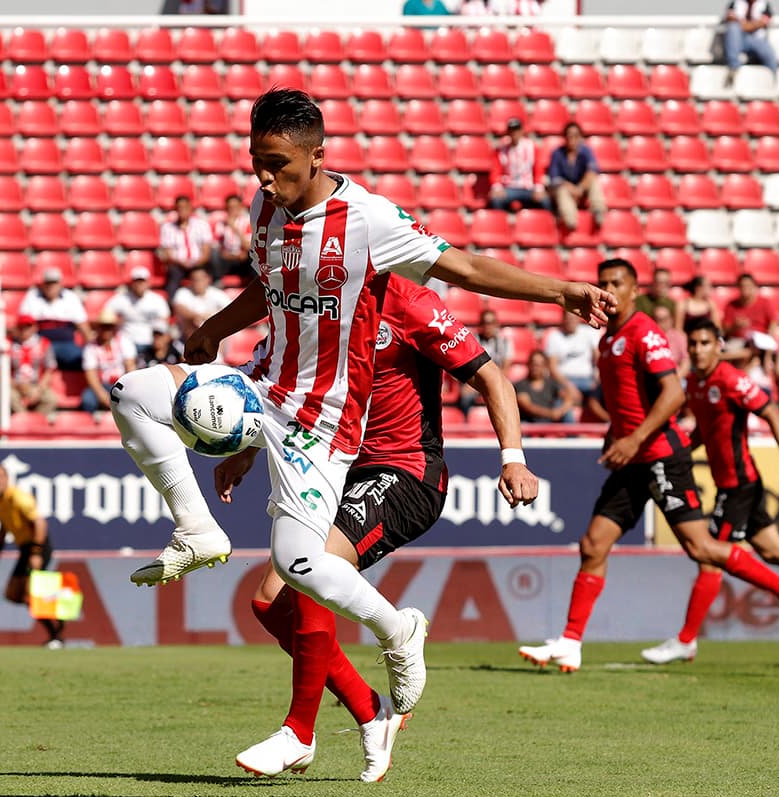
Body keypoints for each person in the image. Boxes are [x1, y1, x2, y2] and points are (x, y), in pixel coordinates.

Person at [112, 89, 614, 725]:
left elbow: (463, 267)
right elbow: (271, 290)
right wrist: (214, 327)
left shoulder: (369, 221)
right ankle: (197, 529)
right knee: (132, 392)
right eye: (255, 162)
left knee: (301, 568)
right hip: (270, 393)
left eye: (277, 163)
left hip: (329, 425)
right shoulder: (265, 207)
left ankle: (377, 654)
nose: (264, 177)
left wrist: (559, 290)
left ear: (317, 156)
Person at [213, 275, 534, 779]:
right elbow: (280, 391)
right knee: (269, 600)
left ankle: (299, 731)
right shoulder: (310, 307)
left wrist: (513, 458)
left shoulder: (410, 304)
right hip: (333, 466)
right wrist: (247, 453)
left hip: (405, 471)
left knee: (310, 568)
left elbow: (493, 378)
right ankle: (372, 711)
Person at [518, 259, 779, 674]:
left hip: (660, 455)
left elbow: (674, 395)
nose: (607, 289)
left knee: (701, 548)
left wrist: (634, 438)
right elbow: (628, 401)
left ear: (634, 289)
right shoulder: (608, 337)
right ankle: (570, 643)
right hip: (633, 457)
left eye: (616, 283)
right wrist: (615, 436)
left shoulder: (643, 332)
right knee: (593, 545)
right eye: (601, 282)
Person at [642, 319, 779, 664]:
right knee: (774, 551)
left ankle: (687, 639)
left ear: (718, 345)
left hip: (739, 485)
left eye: (705, 343)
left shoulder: (730, 379)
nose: (699, 349)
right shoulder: (694, 383)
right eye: (694, 344)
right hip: (732, 484)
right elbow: (707, 428)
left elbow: (773, 413)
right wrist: (684, 450)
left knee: (710, 559)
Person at [0, 462, 64, 649]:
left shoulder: (18, 497)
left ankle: (56, 634)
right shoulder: (1, 501)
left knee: (32, 593)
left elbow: (40, 523)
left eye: (0, 476)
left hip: (37, 547)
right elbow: (4, 527)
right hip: (24, 549)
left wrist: (36, 552)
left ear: (7, 477)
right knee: (14, 594)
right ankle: (57, 618)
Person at [18, 267, 91, 370]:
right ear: (43, 284)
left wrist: (91, 349)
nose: (51, 286)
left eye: (54, 283)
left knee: (83, 359)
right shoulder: (32, 297)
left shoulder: (71, 298)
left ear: (60, 283)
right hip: (39, 345)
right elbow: (24, 325)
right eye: (48, 283)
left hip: (66, 345)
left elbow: (83, 326)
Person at [104, 266, 171, 368]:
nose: (139, 285)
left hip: (151, 340)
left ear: (148, 283)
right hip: (128, 339)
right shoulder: (122, 299)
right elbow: (106, 315)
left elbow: (164, 321)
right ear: (132, 283)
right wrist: (117, 322)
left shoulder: (157, 300)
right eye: (137, 281)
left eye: (142, 281)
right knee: (127, 351)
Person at [547, 123, 606, 230]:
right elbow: (555, 178)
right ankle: (570, 222)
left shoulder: (586, 151)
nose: (572, 139)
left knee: (595, 182)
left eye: (575, 135)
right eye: (569, 135)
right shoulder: (557, 153)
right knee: (561, 191)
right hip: (566, 189)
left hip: (582, 189)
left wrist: (580, 188)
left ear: (580, 137)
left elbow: (592, 171)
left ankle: (598, 211)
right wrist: (572, 188)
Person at [488, 118, 550, 213]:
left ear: (521, 131)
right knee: (496, 200)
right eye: (512, 130)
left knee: (545, 201)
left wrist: (538, 188)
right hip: (509, 187)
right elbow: (495, 171)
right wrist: (497, 187)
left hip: (528, 187)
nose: (514, 133)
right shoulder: (501, 150)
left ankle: (547, 225)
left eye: (516, 130)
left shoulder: (531, 147)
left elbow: (538, 169)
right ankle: (500, 226)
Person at [81, 309, 136, 414]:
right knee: (88, 400)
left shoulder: (124, 342)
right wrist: (103, 396)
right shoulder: (90, 347)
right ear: (98, 328)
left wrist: (126, 391)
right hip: (102, 385)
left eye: (109, 327)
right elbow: (91, 376)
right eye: (103, 326)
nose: (107, 330)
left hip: (122, 384)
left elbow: (130, 370)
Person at [458, 310, 512, 413]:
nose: (488, 326)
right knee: (465, 396)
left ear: (496, 324)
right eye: (485, 323)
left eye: (491, 323)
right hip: (476, 381)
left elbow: (505, 368)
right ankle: (467, 424)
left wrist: (491, 384)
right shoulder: (472, 339)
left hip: (497, 381)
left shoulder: (505, 343)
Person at [158, 195, 214, 292]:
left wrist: (195, 263)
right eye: (179, 207)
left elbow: (206, 252)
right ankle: (172, 303)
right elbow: (168, 254)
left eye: (185, 207)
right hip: (178, 264)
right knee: (173, 275)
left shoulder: (202, 225)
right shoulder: (167, 228)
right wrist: (182, 262)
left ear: (190, 209)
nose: (182, 210)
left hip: (198, 263)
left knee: (203, 274)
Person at [8, 315, 58, 419]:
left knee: (51, 399)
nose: (24, 330)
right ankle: (25, 420)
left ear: (34, 327)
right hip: (15, 386)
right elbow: (1, 371)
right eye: (21, 327)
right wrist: (17, 386)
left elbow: (50, 370)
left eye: (28, 326)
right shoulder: (9, 344)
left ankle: (35, 421)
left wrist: (38, 390)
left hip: (36, 385)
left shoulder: (44, 343)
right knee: (9, 396)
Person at [544, 311, 601, 396]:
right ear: (563, 319)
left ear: (578, 319)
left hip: (587, 379)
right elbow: (552, 367)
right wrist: (568, 386)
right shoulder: (554, 336)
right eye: (569, 319)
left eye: (573, 318)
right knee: (564, 397)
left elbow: (598, 358)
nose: (571, 321)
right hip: (564, 380)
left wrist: (598, 376)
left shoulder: (590, 332)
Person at [515, 350, 579, 423]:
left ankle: (572, 433)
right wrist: (551, 413)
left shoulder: (552, 383)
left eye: (540, 364)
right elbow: (527, 406)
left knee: (567, 411)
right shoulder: (521, 385)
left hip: (548, 423)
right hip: (529, 424)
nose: (536, 367)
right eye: (534, 363)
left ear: (545, 366)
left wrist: (561, 410)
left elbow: (568, 398)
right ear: (529, 364)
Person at [172, 265, 230, 345]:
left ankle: (216, 355)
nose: (197, 283)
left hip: (214, 335)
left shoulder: (218, 294)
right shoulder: (183, 292)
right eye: (194, 280)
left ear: (208, 279)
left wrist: (209, 319)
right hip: (187, 335)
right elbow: (179, 308)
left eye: (199, 279)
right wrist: (197, 316)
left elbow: (229, 312)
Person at [724, 0, 779, 85]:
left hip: (757, 40)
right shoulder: (736, 2)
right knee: (733, 28)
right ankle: (734, 68)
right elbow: (729, 17)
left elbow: (764, 21)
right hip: (738, 41)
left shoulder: (764, 4)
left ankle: (773, 81)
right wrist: (751, 24)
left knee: (769, 53)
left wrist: (742, 23)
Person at [722, 273, 777, 344]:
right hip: (738, 341)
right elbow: (725, 330)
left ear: (754, 287)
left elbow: (774, 322)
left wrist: (769, 339)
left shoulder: (765, 303)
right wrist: (735, 326)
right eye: (742, 286)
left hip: (759, 340)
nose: (745, 289)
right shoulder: (731, 305)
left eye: (748, 286)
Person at [211, 194, 254, 282]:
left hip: (243, 260)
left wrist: (234, 228)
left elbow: (248, 246)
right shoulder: (221, 224)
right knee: (213, 254)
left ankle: (253, 283)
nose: (232, 210)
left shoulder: (247, 222)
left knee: (252, 254)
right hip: (227, 259)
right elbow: (216, 246)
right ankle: (217, 281)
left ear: (241, 207)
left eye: (235, 207)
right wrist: (228, 255)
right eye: (230, 207)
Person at [652, 305, 690, 378]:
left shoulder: (679, 337)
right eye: (658, 319)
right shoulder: (649, 338)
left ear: (671, 319)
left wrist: (676, 379)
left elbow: (686, 362)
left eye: (664, 319)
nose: (661, 323)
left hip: (676, 376)